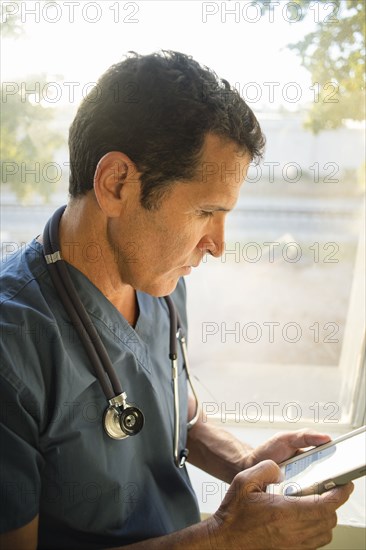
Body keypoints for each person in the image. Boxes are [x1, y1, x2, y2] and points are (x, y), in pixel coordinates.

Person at [0, 50, 353, 550]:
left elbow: (178, 411)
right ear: (117, 183)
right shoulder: (13, 344)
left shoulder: (162, 282)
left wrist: (245, 462)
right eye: (206, 211)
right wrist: (224, 540)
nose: (218, 244)